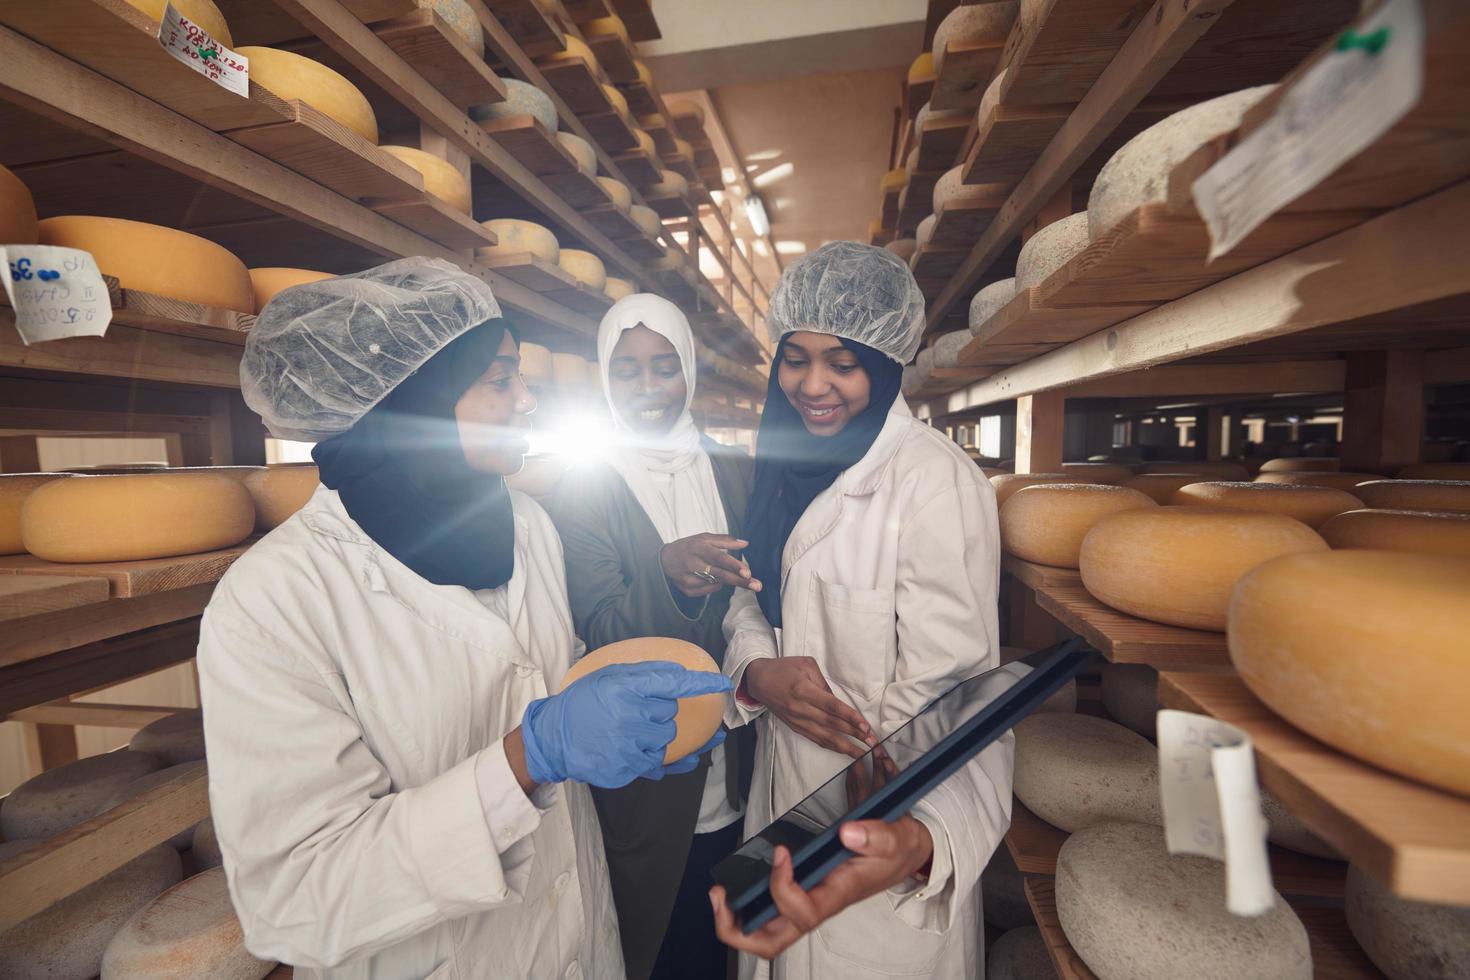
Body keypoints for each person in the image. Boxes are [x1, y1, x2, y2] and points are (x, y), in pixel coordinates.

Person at [196, 259, 728, 980]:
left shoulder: (526, 525)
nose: (526, 401)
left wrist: (625, 716)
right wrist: (529, 759)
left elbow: (549, 668)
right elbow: (295, 901)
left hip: (586, 945)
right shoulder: (276, 599)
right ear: (415, 399)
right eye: (500, 380)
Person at [708, 242, 1012, 978]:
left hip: (884, 824)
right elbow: (752, 596)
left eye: (841, 363)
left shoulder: (933, 480)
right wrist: (754, 672)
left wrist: (919, 829)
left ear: (883, 363)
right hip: (784, 801)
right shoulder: (780, 463)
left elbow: (962, 692)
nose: (813, 385)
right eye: (795, 359)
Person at [549, 293, 758, 980]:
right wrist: (668, 573)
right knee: (655, 945)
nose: (647, 389)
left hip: (742, 750)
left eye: (664, 368)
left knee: (726, 940)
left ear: (689, 371)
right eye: (627, 372)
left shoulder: (731, 467)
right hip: (647, 770)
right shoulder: (583, 485)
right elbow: (600, 627)